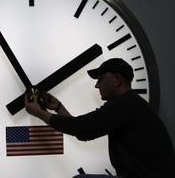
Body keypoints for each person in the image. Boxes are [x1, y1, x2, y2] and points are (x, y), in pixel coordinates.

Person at [24, 58, 175, 178]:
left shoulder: (125, 105)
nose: (97, 85)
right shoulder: (130, 104)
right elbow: (84, 132)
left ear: (117, 79)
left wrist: (38, 112)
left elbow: (80, 127)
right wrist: (58, 108)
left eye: (100, 79)